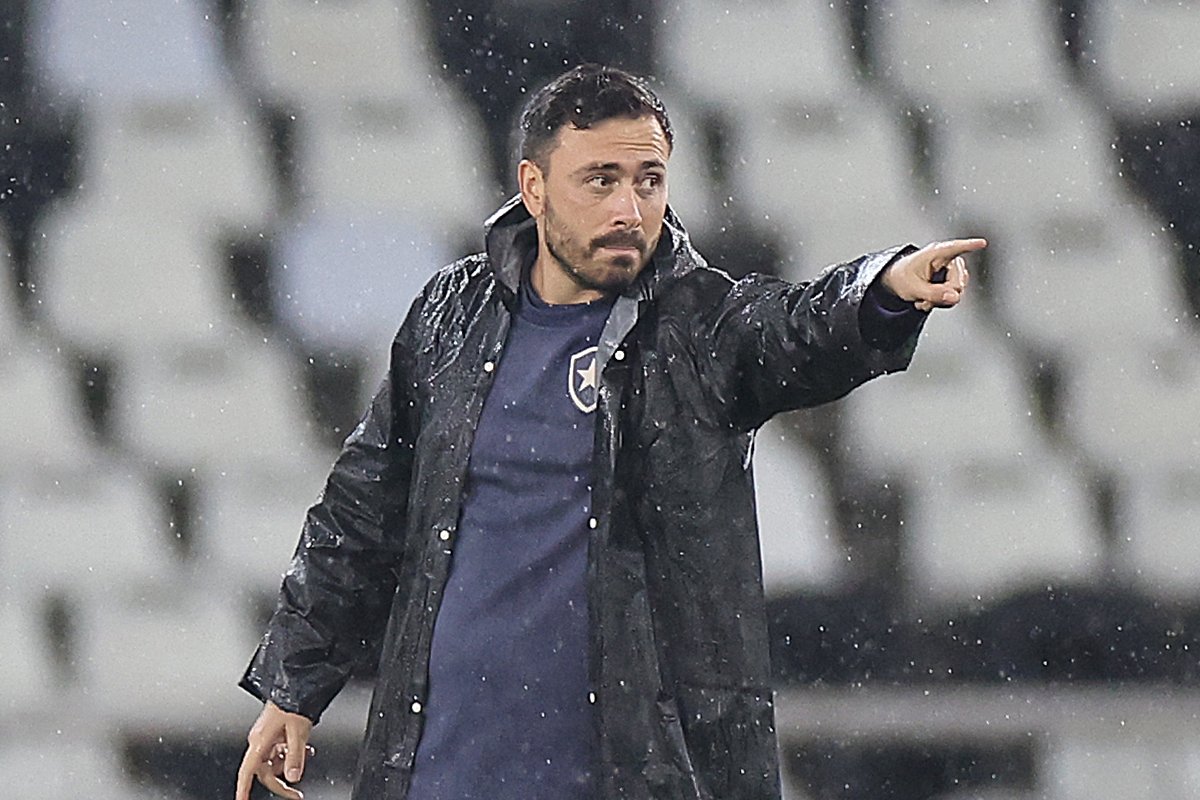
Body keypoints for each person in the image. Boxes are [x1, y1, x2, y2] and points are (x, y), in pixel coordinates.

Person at [234, 64, 983, 800]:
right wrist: (293, 685)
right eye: (601, 180)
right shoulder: (448, 318)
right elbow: (360, 514)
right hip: (443, 769)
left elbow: (795, 328)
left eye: (649, 180)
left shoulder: (700, 325)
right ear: (533, 188)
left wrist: (881, 291)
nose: (630, 208)